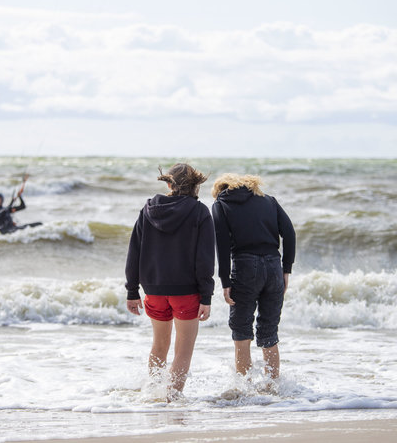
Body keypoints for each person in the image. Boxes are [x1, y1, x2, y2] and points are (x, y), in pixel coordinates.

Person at [125, 163, 215, 400]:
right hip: (186, 292)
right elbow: (204, 259)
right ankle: (170, 400)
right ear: (196, 185)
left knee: (159, 344)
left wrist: (132, 290)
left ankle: (153, 395)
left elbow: (134, 251)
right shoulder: (200, 212)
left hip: (153, 290)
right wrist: (206, 296)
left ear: (169, 184)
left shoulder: (148, 210)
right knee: (183, 351)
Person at [211, 174, 295, 384]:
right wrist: (286, 269)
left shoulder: (220, 205)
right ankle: (273, 387)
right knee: (269, 330)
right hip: (274, 266)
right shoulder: (269, 200)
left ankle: (244, 388)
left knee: (241, 330)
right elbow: (290, 233)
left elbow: (221, 245)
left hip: (245, 266)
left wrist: (225, 280)